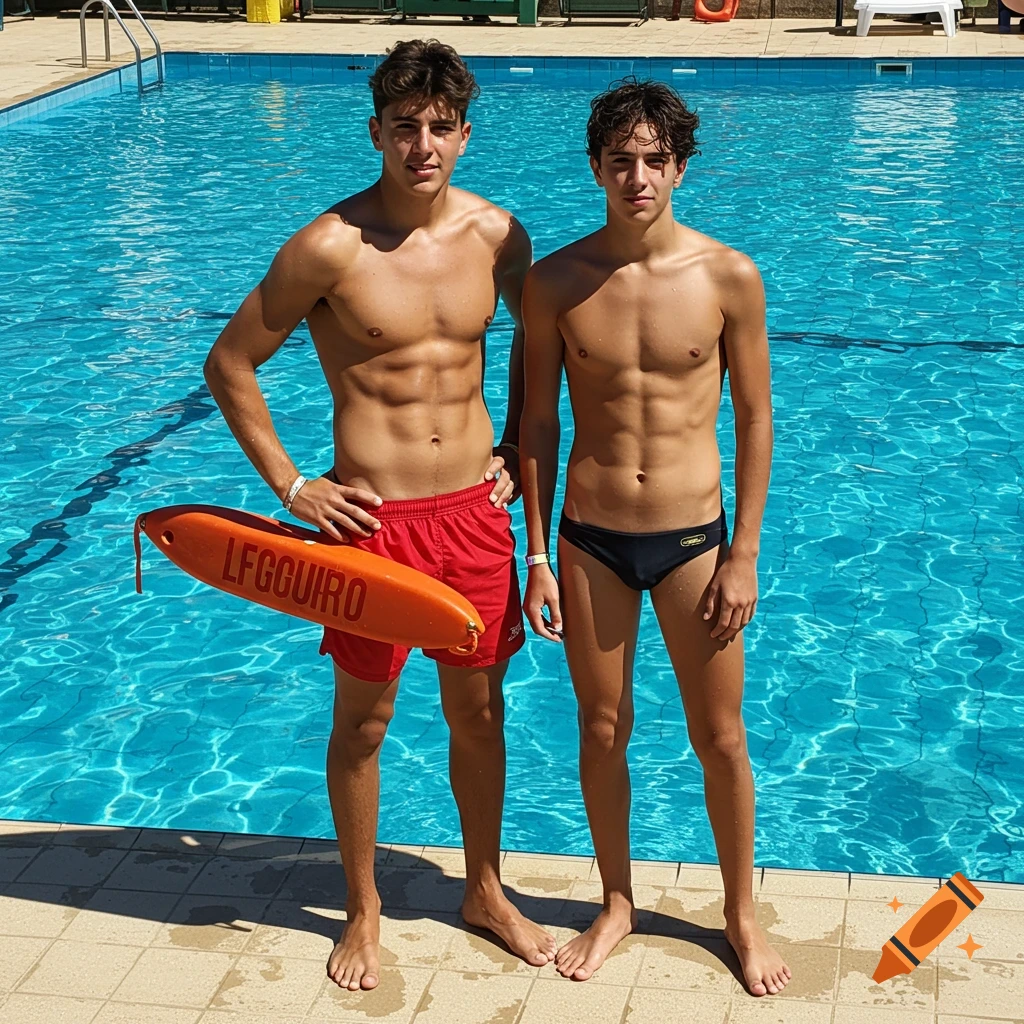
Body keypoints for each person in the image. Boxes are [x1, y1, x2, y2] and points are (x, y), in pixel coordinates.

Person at [204, 39, 555, 992]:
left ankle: (484, 889)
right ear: (377, 133)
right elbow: (230, 364)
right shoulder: (328, 246)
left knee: (477, 715)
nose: (423, 145)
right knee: (364, 724)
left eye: (441, 128)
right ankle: (361, 907)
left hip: (475, 519)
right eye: (405, 127)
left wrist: (518, 458)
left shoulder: (499, 237)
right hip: (373, 527)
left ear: (465, 137)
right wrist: (292, 487)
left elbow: (543, 348)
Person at [519, 79, 790, 997]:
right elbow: (541, 426)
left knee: (721, 737)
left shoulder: (728, 277)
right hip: (588, 539)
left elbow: (754, 419)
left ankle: (739, 917)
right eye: (621, 160)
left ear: (681, 167)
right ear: (597, 166)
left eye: (654, 160)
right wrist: (538, 555)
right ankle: (617, 901)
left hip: (695, 541)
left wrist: (744, 551)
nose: (638, 176)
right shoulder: (554, 282)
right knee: (603, 727)